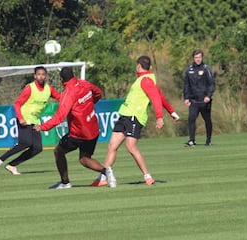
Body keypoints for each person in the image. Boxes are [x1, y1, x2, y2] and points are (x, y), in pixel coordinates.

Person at [91, 55, 180, 188]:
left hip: (134, 117)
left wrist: (159, 116)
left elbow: (156, 97)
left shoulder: (145, 80)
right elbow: (160, 96)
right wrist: (172, 112)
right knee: (112, 145)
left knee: (130, 147)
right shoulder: (145, 80)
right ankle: (103, 177)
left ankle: (147, 176)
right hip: (125, 115)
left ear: (138, 65)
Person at [34, 67, 106, 189]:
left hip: (78, 133)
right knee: (84, 159)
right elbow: (98, 92)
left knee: (58, 151)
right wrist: (88, 103)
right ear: (73, 75)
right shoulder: (84, 83)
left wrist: (43, 127)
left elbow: (60, 116)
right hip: (93, 129)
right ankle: (106, 171)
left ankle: (65, 182)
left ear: (62, 80)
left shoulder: (68, 93)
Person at [0, 66, 60, 175]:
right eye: (39, 74)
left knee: (38, 148)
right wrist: (21, 118)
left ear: (46, 76)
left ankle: (12, 165)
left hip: (35, 120)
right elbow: (17, 104)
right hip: (25, 118)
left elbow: (60, 97)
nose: (41, 76)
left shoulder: (49, 89)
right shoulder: (30, 88)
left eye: (43, 74)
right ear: (35, 76)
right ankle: (0, 159)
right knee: (26, 142)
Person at [183, 49, 215, 146]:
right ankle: (192, 140)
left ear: (202, 58)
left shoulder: (206, 69)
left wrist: (208, 96)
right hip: (194, 100)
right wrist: (186, 98)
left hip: (204, 100)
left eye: (199, 57)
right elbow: (186, 85)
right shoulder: (189, 70)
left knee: (207, 120)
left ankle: (208, 140)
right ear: (193, 58)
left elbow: (211, 84)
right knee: (191, 118)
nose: (198, 59)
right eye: (196, 57)